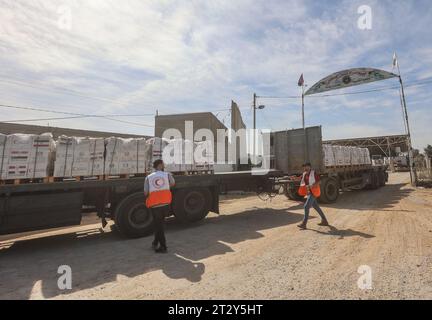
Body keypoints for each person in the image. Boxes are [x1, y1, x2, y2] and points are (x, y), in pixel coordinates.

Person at [144, 159, 175, 253]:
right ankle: (155, 242)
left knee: (159, 225)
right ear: (160, 165)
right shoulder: (167, 175)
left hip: (155, 205)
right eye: (163, 164)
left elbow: (146, 192)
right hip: (165, 203)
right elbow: (173, 183)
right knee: (160, 224)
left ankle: (163, 247)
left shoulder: (148, 177)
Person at [297, 162, 329, 229]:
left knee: (306, 207)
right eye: (304, 167)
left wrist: (312, 185)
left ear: (310, 167)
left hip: (314, 192)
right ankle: (325, 220)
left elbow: (319, 181)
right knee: (316, 207)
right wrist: (294, 178)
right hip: (309, 192)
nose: (305, 168)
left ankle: (304, 223)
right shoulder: (304, 174)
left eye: (307, 167)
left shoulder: (313, 173)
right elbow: (300, 179)